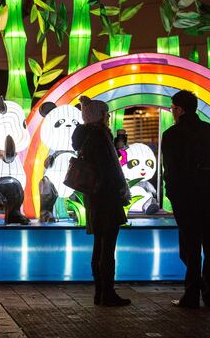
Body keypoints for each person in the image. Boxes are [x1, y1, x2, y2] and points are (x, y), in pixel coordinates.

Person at [161, 90, 210, 308]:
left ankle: (192, 293)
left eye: (172, 107)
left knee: (189, 244)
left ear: (179, 109)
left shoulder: (171, 135)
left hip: (185, 198)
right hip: (208, 196)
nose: (171, 111)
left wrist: (172, 195)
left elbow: (170, 169)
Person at [72, 96, 131, 307]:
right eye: (106, 114)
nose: (108, 118)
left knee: (99, 246)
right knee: (107, 249)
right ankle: (107, 293)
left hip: (94, 199)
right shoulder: (100, 136)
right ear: (99, 116)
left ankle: (100, 292)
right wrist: (122, 191)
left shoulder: (86, 136)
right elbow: (110, 169)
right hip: (107, 198)